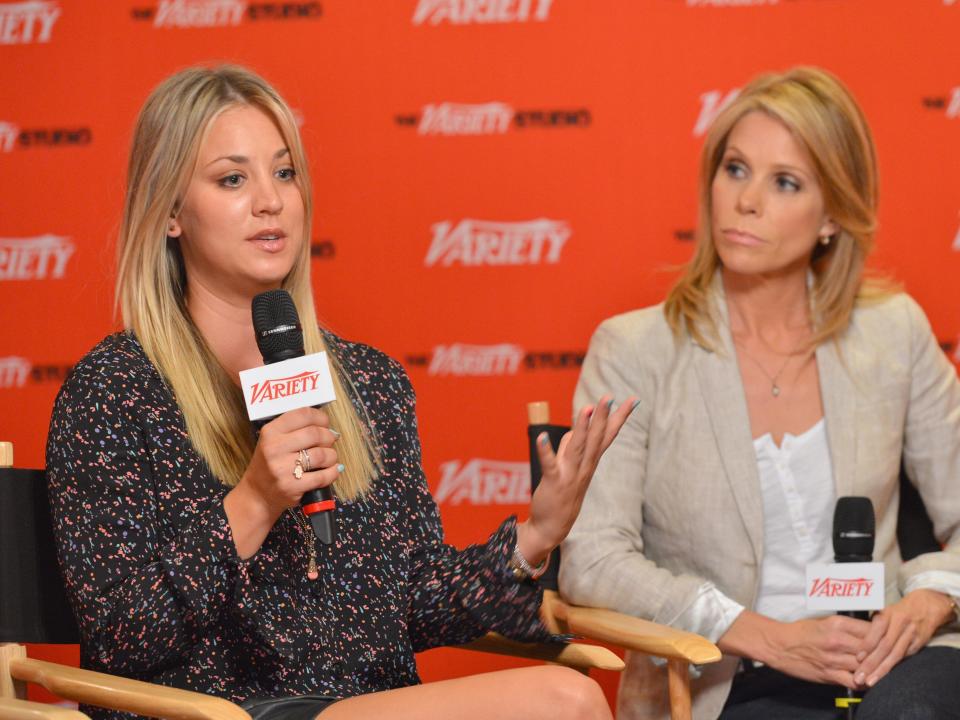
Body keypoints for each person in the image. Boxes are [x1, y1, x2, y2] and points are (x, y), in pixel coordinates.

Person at [45, 64, 637, 720]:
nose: (270, 200)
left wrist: (537, 534)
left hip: (361, 707)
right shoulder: (113, 393)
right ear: (170, 213)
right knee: (566, 701)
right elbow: (122, 636)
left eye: (285, 172)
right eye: (233, 178)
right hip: (216, 712)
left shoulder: (370, 383)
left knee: (566, 701)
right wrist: (253, 504)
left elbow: (412, 599)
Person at [559, 66, 960, 720]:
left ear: (832, 215)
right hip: (730, 677)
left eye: (785, 183)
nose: (746, 201)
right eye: (735, 169)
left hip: (894, 663)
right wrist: (770, 638)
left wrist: (928, 603)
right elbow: (592, 562)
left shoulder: (892, 332)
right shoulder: (635, 351)